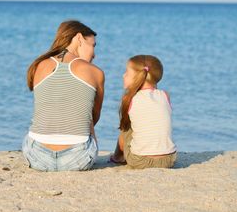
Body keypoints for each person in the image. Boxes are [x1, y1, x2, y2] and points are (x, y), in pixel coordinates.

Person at [22, 20, 105, 171]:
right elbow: (94, 117)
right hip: (78, 159)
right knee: (87, 117)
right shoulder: (95, 72)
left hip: (37, 157)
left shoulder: (39, 66)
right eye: (93, 45)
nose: (94, 54)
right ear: (79, 38)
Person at [109, 55, 177, 169]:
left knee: (126, 127)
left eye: (126, 72)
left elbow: (124, 128)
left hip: (140, 160)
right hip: (168, 160)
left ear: (138, 76)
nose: (123, 75)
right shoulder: (165, 95)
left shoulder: (130, 98)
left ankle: (118, 157)